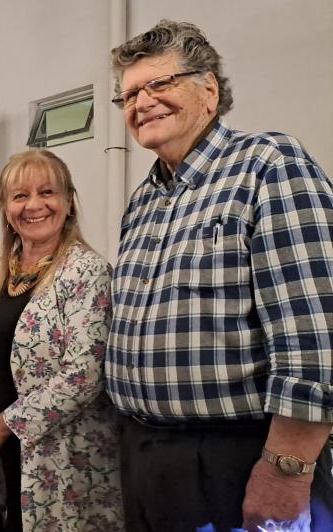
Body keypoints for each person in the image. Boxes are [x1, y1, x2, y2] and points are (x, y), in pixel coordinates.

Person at [107, 20, 333, 531]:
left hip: (236, 458)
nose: (142, 102)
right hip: (145, 455)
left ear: (209, 89)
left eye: (159, 84)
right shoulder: (143, 200)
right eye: (130, 95)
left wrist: (286, 470)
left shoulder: (268, 165)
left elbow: (316, 333)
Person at [0, 150, 123, 531]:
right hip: (5, 453)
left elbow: (84, 375)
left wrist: (7, 423)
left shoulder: (87, 271)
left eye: (47, 192)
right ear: (5, 208)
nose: (34, 205)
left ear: (68, 202)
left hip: (64, 455)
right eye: (19, 196)